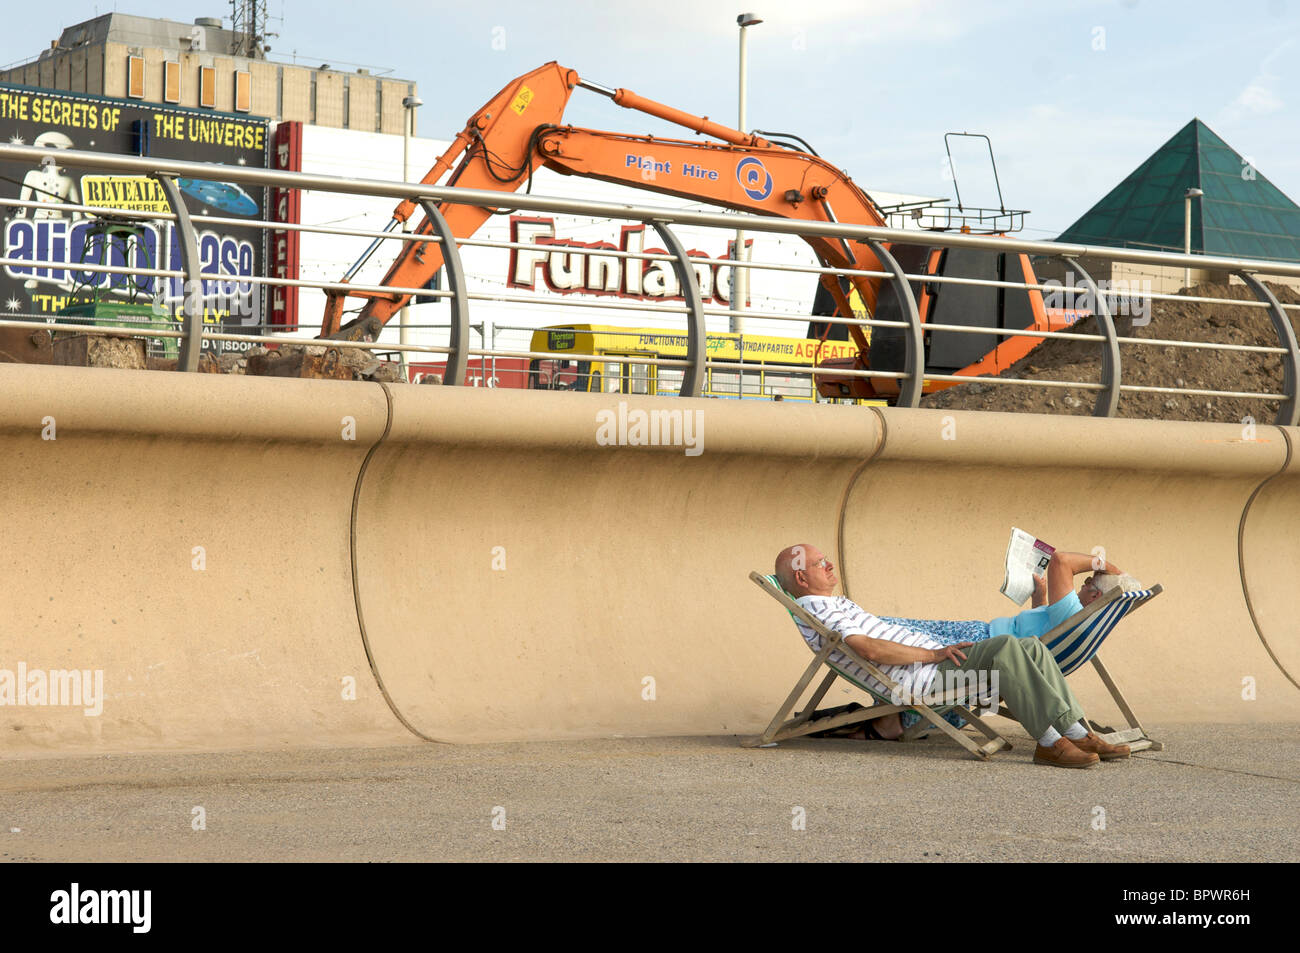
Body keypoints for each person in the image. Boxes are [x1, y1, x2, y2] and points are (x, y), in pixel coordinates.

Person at [773, 543, 1131, 768]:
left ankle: (1074, 730)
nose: (831, 566)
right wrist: (931, 653)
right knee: (1008, 647)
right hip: (921, 679)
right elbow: (867, 649)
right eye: (823, 564)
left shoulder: (832, 603)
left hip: (933, 665)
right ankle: (1050, 743)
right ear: (802, 579)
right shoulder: (822, 611)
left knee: (1031, 646)